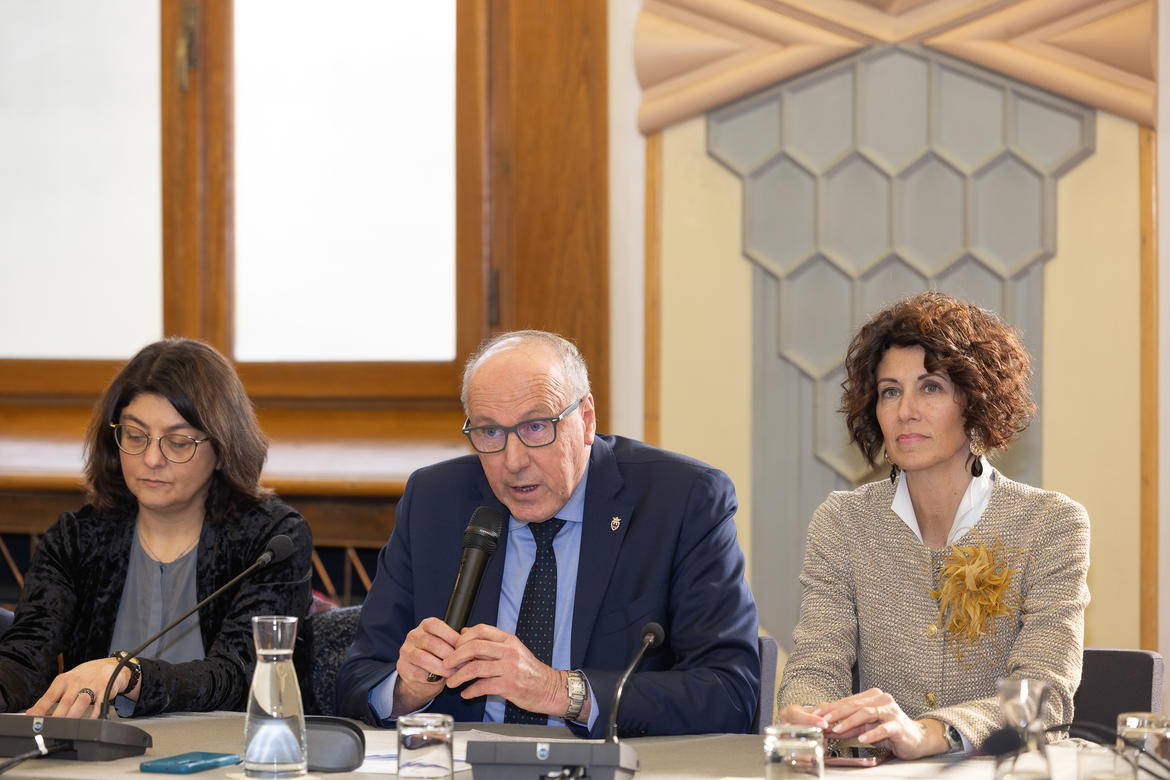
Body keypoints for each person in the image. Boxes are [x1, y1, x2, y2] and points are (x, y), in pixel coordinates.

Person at [336, 330, 760, 737]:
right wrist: (406, 690)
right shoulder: (434, 500)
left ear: (586, 419)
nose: (513, 461)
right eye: (489, 432)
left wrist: (558, 691)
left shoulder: (681, 500)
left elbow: (730, 692)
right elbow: (357, 679)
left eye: (536, 426)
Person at [777, 291, 1090, 758]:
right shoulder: (842, 522)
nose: (905, 410)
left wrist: (928, 732)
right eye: (890, 391)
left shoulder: (1050, 524)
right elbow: (815, 665)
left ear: (975, 401)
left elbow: (1041, 697)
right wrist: (811, 716)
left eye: (930, 388)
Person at [0, 338, 313, 717]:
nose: (151, 459)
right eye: (135, 436)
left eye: (177, 442)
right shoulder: (77, 539)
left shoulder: (271, 541)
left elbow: (239, 676)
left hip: (229, 750)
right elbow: (26, 659)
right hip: (97, 751)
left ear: (222, 449)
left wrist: (129, 674)